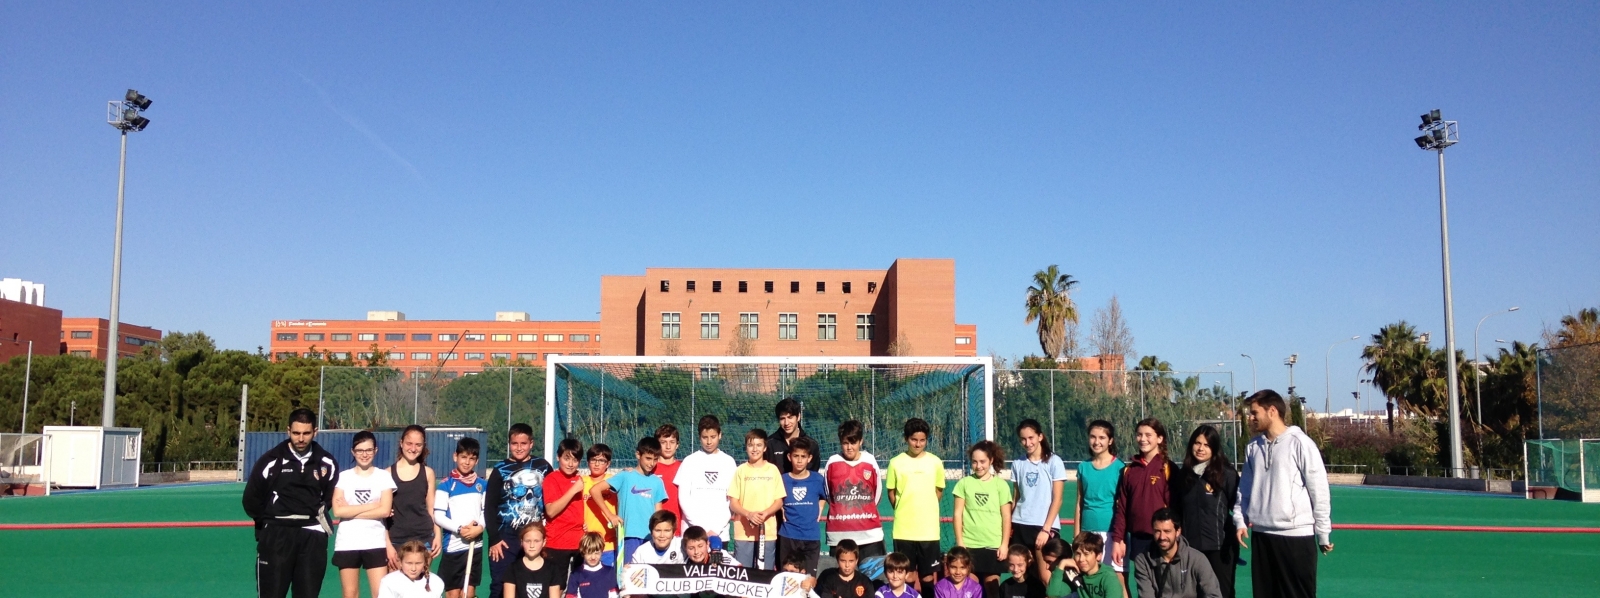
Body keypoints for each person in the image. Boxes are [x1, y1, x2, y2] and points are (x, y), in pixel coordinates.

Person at [1234, 390, 1332, 598]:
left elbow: (1319, 490)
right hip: (1262, 536)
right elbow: (1245, 489)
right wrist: (1240, 521)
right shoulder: (1253, 447)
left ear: (1272, 411)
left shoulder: (1300, 443)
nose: (1250, 418)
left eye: (1254, 413)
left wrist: (1323, 533)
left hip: (1296, 537)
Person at [243, 408, 339, 598]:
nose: (301, 438)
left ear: (315, 432)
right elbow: (251, 500)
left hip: (312, 535)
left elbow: (329, 497)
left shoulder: (326, 462)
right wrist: (271, 521)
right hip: (277, 535)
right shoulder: (271, 461)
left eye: (306, 433)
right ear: (288, 431)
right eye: (296, 433)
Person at [1171, 425, 1242, 598]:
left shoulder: (1226, 474)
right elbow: (1177, 510)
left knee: (1222, 593)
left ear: (1214, 448)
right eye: (1197, 443)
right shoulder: (1183, 475)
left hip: (1220, 547)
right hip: (1191, 547)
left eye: (1207, 445)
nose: (1201, 448)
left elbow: (1238, 506)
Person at [487, 423, 555, 598]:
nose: (519, 448)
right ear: (509, 444)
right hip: (505, 540)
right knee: (499, 585)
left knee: (532, 585)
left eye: (523, 443)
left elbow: (554, 499)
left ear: (531, 443)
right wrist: (494, 539)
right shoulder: (500, 469)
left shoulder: (543, 467)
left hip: (534, 537)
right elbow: (489, 506)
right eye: (514, 443)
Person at [1110, 418, 1172, 592]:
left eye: (1148, 435)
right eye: (1139, 435)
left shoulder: (1167, 468)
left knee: (1165, 588)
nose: (1143, 439)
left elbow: (1174, 508)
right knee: (1144, 589)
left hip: (1162, 538)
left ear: (1159, 438)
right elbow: (1122, 508)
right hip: (1138, 539)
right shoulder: (1129, 470)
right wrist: (1118, 540)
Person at [885, 418, 944, 594]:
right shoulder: (895, 462)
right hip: (904, 531)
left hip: (928, 531)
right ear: (906, 439)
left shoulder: (935, 462)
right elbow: (891, 493)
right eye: (914, 439)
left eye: (922, 440)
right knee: (908, 575)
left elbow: (938, 491)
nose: (918, 444)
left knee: (927, 576)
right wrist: (904, 509)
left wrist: (926, 509)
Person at [335, 431, 397, 598]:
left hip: (375, 541)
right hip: (347, 542)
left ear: (375, 450)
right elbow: (338, 511)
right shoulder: (343, 477)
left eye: (369, 450)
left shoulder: (383, 477)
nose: (364, 454)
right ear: (353, 451)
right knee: (350, 594)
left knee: (379, 594)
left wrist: (350, 511)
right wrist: (373, 506)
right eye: (360, 450)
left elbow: (385, 511)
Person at [591, 437, 670, 563]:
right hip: (628, 535)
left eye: (655, 459)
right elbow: (595, 490)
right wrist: (611, 516)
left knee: (649, 572)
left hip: (651, 537)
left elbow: (658, 513)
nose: (651, 463)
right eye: (648, 458)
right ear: (638, 455)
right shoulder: (625, 475)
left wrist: (660, 533)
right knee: (629, 572)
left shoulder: (657, 482)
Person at [953, 440, 1013, 593]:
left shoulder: (1001, 485)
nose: (978, 466)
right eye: (974, 462)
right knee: (969, 590)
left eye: (982, 461)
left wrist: (1004, 544)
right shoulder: (964, 483)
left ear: (991, 460)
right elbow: (958, 514)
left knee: (992, 587)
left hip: (993, 545)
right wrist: (960, 542)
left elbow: (1006, 516)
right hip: (970, 544)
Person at [1074, 420, 1126, 593]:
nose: (1097, 442)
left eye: (1102, 438)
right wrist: (1077, 535)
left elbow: (1123, 505)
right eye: (1093, 437)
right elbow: (1079, 502)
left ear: (1110, 440)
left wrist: (1120, 539)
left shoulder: (1120, 468)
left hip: (1112, 533)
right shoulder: (1083, 467)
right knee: (1089, 580)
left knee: (1118, 580)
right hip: (1087, 532)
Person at [824, 420, 886, 560]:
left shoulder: (870, 461)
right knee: (841, 575)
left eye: (853, 443)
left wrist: (862, 512)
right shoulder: (832, 462)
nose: (849, 447)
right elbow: (829, 495)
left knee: (872, 575)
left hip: (870, 535)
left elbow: (876, 494)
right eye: (845, 443)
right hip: (839, 537)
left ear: (861, 441)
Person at [435, 437, 488, 598]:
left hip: (475, 546)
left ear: (476, 461)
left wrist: (479, 528)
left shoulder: (482, 485)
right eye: (463, 457)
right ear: (455, 456)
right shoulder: (445, 485)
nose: (467, 462)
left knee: (469, 593)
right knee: (453, 594)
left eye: (472, 458)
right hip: (454, 547)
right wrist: (460, 529)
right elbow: (438, 516)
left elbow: (486, 511)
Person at [675, 415, 738, 550]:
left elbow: (732, 500)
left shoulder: (729, 462)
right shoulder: (689, 461)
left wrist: (715, 529)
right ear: (699, 437)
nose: (709, 442)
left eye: (713, 437)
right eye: (705, 437)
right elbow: (683, 498)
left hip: (720, 534)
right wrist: (701, 528)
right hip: (693, 533)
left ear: (720, 435)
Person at [1011, 420, 1067, 565]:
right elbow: (1016, 497)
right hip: (1020, 524)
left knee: (1045, 573)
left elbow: (1058, 499)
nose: (1027, 443)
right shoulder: (1017, 463)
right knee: (1022, 573)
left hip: (1043, 526)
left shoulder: (1054, 462)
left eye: (1031, 438)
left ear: (1040, 437)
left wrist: (1046, 530)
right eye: (1023, 439)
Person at [1132, 509, 1220, 598]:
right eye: (1157, 531)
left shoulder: (1197, 559)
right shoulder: (1143, 561)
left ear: (1178, 532)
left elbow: (1213, 594)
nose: (1162, 537)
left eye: (1167, 531)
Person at [729, 428, 784, 569]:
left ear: (765, 448)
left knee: (765, 575)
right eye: (750, 445)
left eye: (759, 445)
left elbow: (779, 501)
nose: (754, 449)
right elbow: (733, 503)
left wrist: (764, 514)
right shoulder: (740, 470)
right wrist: (749, 514)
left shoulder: (773, 470)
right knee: (743, 575)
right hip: (743, 534)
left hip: (768, 533)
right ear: (746, 447)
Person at [390, 425, 442, 566]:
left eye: (418, 445)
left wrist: (437, 535)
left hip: (424, 538)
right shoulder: (387, 474)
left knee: (421, 580)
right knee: (397, 580)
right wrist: (387, 544)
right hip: (396, 539)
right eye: (409, 443)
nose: (413, 449)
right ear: (401, 443)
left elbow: (432, 508)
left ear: (423, 446)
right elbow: (383, 515)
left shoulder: (428, 473)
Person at [779, 436, 828, 574]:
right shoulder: (782, 479)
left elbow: (825, 496)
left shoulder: (817, 479)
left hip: (811, 537)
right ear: (789, 457)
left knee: (809, 578)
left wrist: (821, 506)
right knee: (786, 578)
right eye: (796, 456)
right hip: (788, 535)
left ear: (809, 458)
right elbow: (775, 499)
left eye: (803, 456)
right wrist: (780, 507)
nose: (799, 460)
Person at [542, 439, 588, 587]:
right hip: (557, 542)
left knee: (581, 586)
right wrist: (573, 490)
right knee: (556, 587)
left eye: (575, 460)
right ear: (558, 457)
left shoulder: (582, 480)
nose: (570, 464)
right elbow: (551, 511)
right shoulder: (551, 479)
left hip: (580, 543)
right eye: (566, 458)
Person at [504, 522, 564, 598]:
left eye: (536, 541)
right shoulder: (513, 569)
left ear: (544, 542)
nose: (532, 545)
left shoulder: (552, 569)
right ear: (522, 542)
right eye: (528, 541)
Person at [582, 443, 619, 564]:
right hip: (588, 544)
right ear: (588, 462)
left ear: (608, 464)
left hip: (609, 544)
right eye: (593, 460)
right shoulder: (582, 482)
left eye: (601, 460)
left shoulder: (613, 481)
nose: (597, 464)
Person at [1050, 533, 1119, 598]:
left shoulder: (1108, 577)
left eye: (1086, 554)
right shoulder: (1075, 574)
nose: (1081, 559)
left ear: (1098, 556)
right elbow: (1052, 594)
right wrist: (1062, 564)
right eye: (1078, 554)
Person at [766, 398, 820, 472]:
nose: (786, 423)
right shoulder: (769, 444)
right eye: (782, 418)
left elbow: (813, 474)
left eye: (790, 417)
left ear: (798, 417)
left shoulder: (812, 445)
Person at [379, 540, 446, 598]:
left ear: (425, 563)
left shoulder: (436, 582)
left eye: (418, 563)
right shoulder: (389, 581)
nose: (413, 568)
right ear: (401, 562)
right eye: (409, 563)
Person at [565, 532, 619, 598]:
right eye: (589, 553)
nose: (593, 557)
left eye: (596, 553)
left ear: (602, 551)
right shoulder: (576, 574)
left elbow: (614, 594)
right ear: (583, 553)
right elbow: (571, 596)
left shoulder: (609, 571)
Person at [653, 424, 685, 531]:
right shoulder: (650, 468)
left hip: (679, 527)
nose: (668, 446)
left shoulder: (684, 468)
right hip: (656, 528)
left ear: (677, 445)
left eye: (672, 442)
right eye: (663, 442)